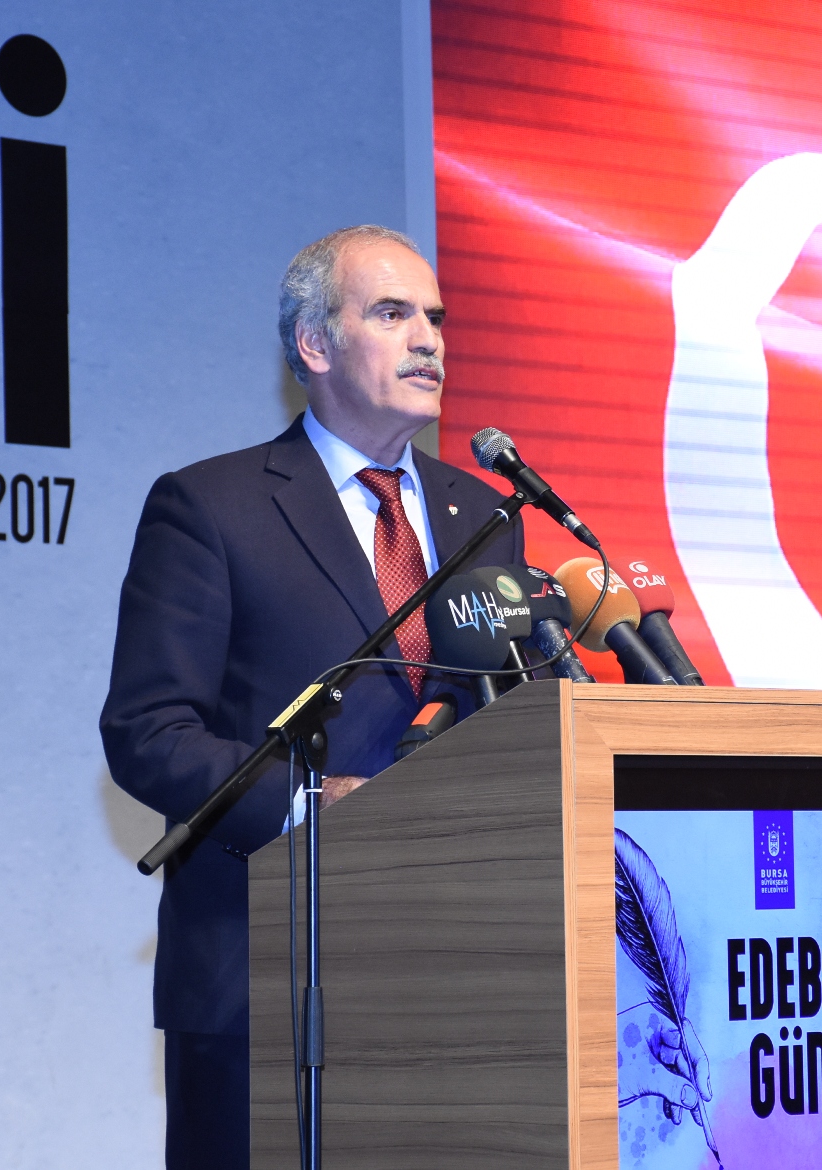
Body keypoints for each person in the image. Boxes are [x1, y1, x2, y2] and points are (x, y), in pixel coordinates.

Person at [100, 225, 524, 1169]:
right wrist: (311, 803)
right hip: (265, 972)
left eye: (435, 317)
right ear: (315, 344)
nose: (429, 339)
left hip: (461, 976)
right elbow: (146, 732)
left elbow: (503, 718)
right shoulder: (212, 508)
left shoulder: (485, 516)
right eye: (392, 313)